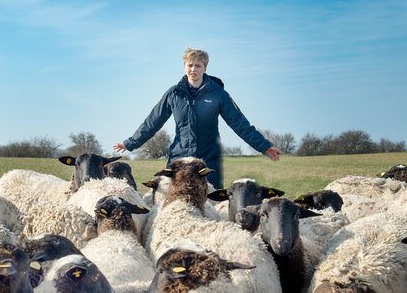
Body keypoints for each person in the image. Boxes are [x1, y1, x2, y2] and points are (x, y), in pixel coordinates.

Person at [113, 47, 282, 189]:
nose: (193, 69)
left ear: (205, 68)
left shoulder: (218, 95)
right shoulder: (174, 94)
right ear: (184, 66)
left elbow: (240, 124)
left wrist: (265, 146)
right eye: (190, 65)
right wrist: (130, 143)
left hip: (208, 162)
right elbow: (152, 122)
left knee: (212, 208)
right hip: (179, 161)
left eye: (198, 66)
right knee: (173, 206)